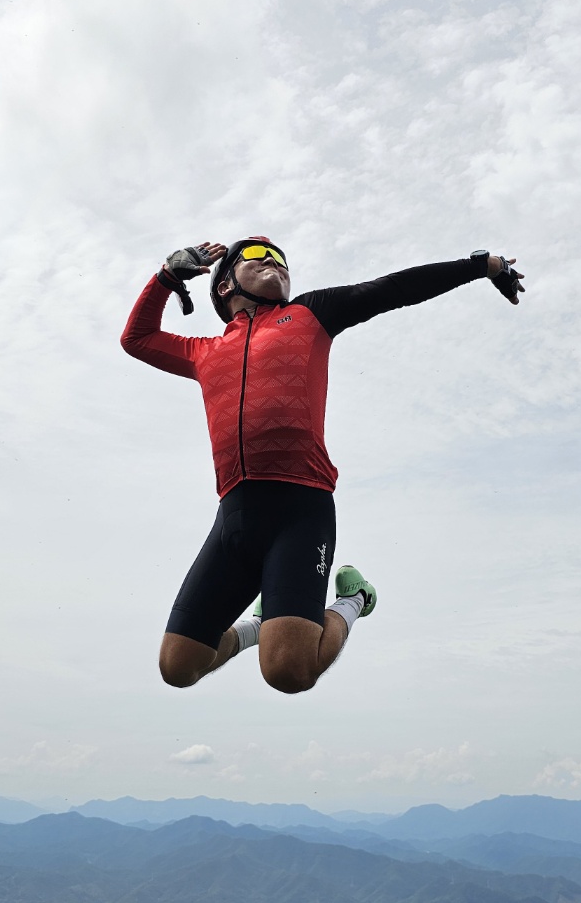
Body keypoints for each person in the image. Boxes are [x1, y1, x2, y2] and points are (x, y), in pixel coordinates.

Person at [121, 237, 524, 694]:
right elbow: (136, 339)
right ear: (224, 285)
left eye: (282, 260)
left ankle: (354, 600)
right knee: (178, 668)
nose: (273, 262)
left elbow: (393, 288)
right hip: (234, 517)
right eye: (255, 256)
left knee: (289, 674)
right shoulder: (204, 351)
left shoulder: (310, 313)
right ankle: (258, 628)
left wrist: (482, 266)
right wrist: (166, 278)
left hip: (300, 511)